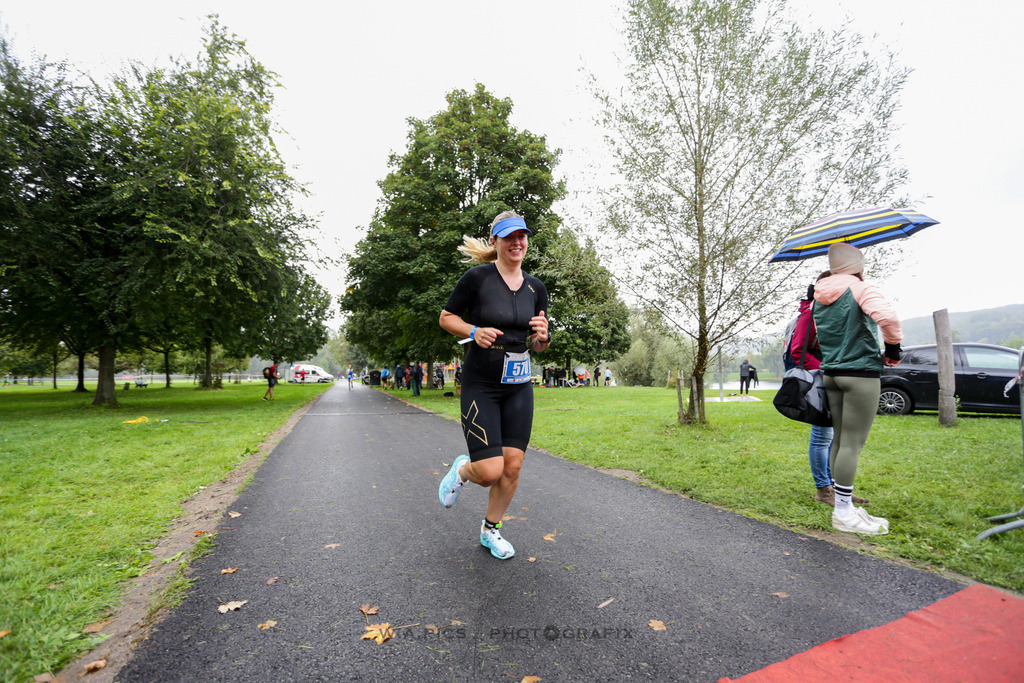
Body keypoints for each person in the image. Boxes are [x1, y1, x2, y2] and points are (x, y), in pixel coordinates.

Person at [437, 210, 550, 560]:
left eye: (522, 236)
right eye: (509, 237)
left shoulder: (536, 287)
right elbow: (446, 317)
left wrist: (544, 338)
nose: (517, 242)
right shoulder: (478, 278)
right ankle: (461, 470)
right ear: (495, 242)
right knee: (489, 471)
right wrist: (473, 331)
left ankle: (491, 529)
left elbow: (537, 343)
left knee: (512, 466)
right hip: (481, 383)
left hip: (518, 384)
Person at [813, 243, 902, 535]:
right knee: (852, 444)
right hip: (860, 373)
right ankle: (842, 513)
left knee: (839, 441)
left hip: (832, 374)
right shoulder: (860, 288)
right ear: (858, 266)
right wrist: (893, 350)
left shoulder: (819, 294)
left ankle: (846, 508)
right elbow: (887, 318)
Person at [785, 280, 870, 508]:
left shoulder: (828, 315)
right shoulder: (810, 315)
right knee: (822, 436)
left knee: (834, 436)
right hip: (820, 380)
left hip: (831, 377)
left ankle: (837, 488)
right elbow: (797, 352)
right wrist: (828, 368)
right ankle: (823, 489)